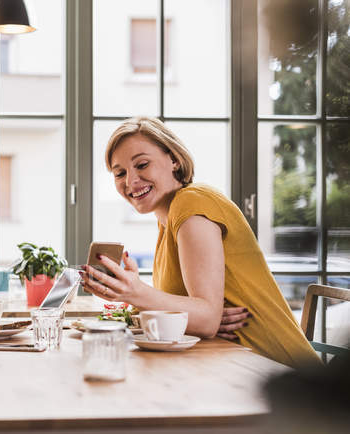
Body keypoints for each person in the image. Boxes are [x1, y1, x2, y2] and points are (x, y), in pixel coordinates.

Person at [80, 116, 320, 368]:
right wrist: (137, 295)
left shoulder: (192, 203)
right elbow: (195, 314)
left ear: (173, 159)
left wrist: (140, 293)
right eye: (120, 173)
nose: (130, 181)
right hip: (237, 367)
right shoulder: (166, 220)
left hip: (283, 377)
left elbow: (205, 320)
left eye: (141, 164)